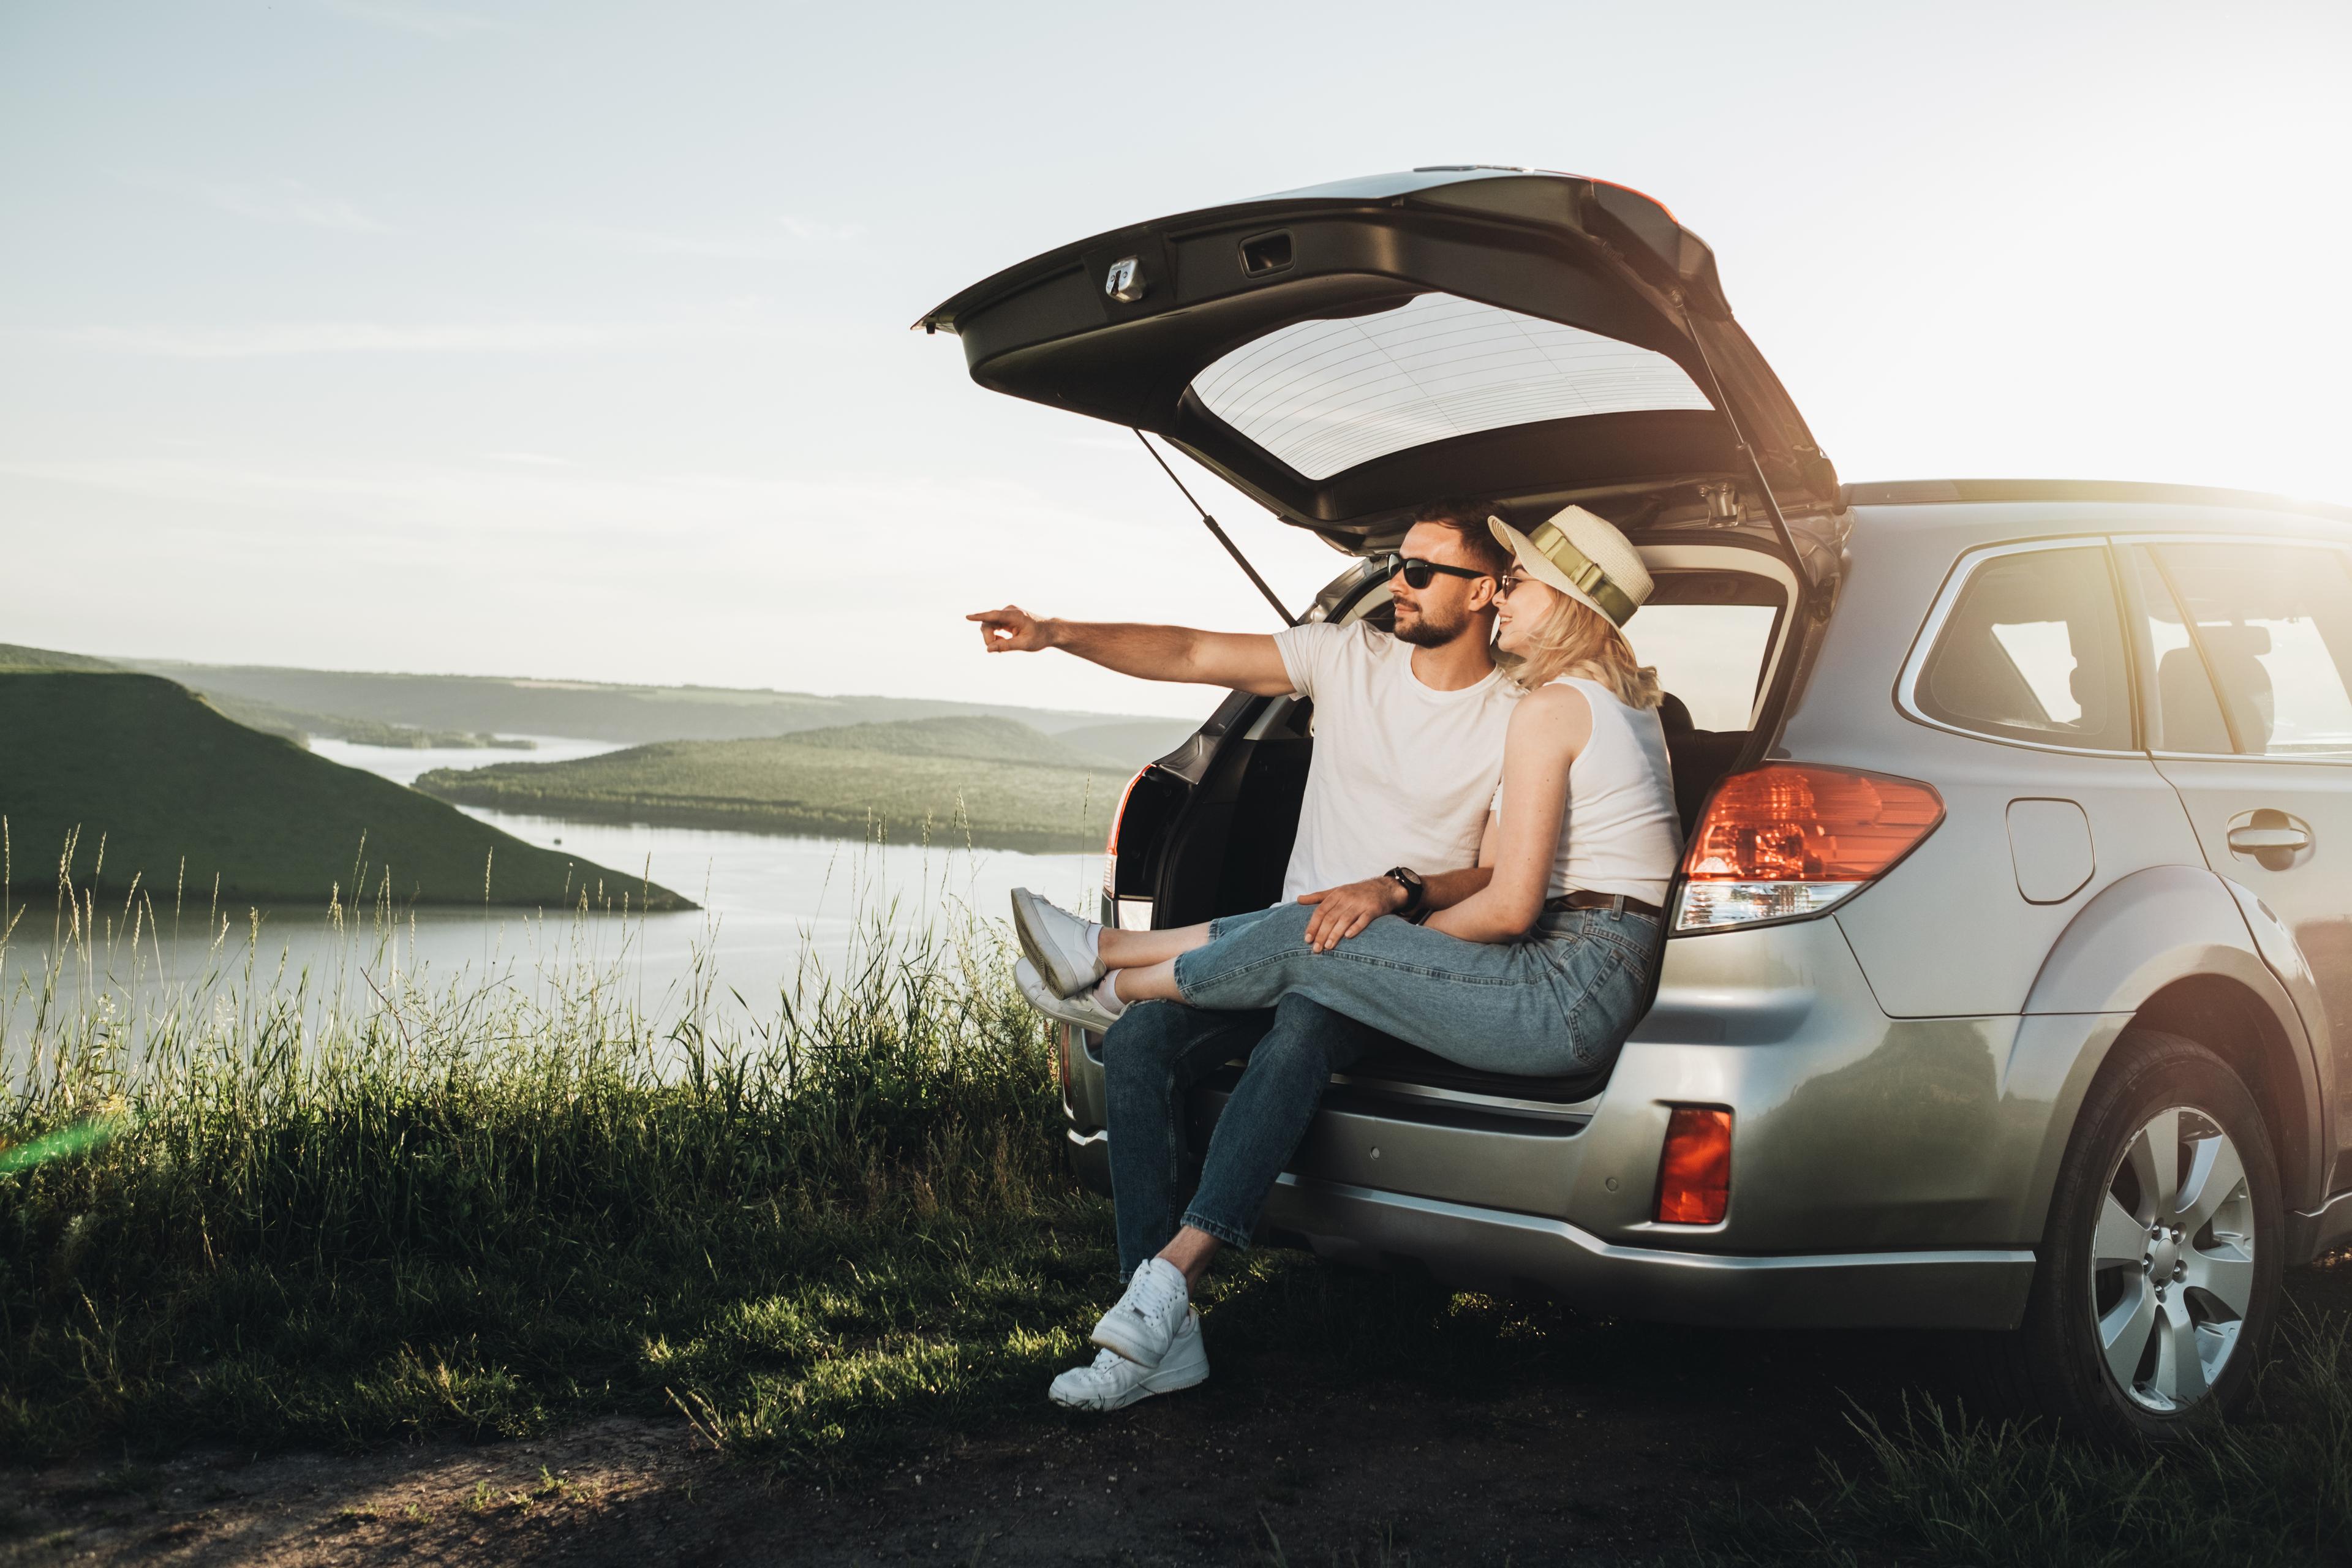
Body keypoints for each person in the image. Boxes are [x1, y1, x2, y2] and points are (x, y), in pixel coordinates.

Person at [1009, 505, 1681, 1409]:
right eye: (1395, 564)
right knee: (1166, 1030)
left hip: (1493, 962)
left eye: (1421, 570)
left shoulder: (1536, 710)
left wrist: (1391, 918)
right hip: (1335, 937)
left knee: (1310, 984)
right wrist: (1056, 633)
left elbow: (1504, 888)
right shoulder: (1363, 662)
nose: (1397, 582)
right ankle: (1155, 1321)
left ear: (1503, 596)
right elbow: (1194, 653)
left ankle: (1112, 980)